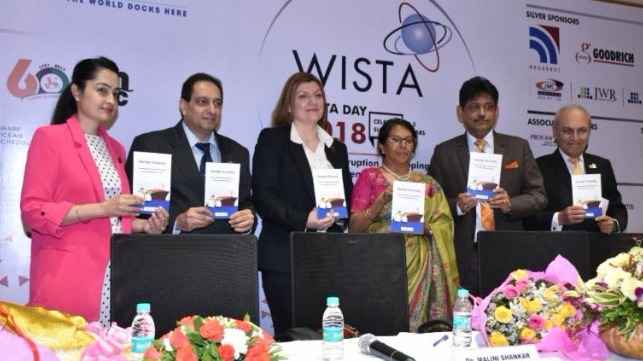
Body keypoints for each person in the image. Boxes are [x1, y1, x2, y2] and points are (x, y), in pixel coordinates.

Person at [20, 57, 169, 324]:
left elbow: (113, 220)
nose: (110, 99)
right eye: (102, 90)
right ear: (77, 92)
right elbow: (32, 213)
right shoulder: (49, 138)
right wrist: (103, 207)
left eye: (115, 93)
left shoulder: (116, 149)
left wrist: (144, 227)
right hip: (66, 277)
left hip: (115, 277)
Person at [252, 72, 353, 337]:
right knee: (294, 338)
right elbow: (264, 198)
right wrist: (304, 219)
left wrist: (339, 217)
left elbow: (347, 198)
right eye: (303, 96)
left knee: (328, 337)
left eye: (318, 95)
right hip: (284, 256)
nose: (313, 101)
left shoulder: (337, 148)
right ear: (288, 105)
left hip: (328, 258)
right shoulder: (273, 140)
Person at [428, 76, 547, 296]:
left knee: (509, 318)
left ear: (497, 111)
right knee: (464, 318)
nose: (482, 113)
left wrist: (510, 203)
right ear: (460, 112)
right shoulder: (444, 152)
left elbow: (538, 196)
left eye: (488, 107)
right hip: (464, 252)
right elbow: (431, 202)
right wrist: (457, 205)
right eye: (474, 107)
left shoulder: (517, 147)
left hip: (508, 250)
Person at [349, 118, 458, 332]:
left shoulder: (428, 183)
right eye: (395, 139)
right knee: (384, 325)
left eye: (409, 140)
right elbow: (354, 227)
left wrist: (426, 228)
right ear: (382, 145)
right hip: (382, 264)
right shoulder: (370, 177)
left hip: (423, 267)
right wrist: (382, 199)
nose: (403, 145)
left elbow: (444, 224)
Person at [125, 73, 255, 234]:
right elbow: (135, 209)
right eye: (202, 102)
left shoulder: (237, 152)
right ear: (184, 106)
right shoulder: (151, 146)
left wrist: (247, 220)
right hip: (170, 253)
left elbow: (245, 202)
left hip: (223, 255)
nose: (212, 110)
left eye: (217, 103)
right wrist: (176, 222)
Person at [525, 104, 627, 233]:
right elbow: (528, 217)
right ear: (554, 132)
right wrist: (559, 218)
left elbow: (618, 209)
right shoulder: (538, 167)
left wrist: (613, 224)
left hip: (598, 249)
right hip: (556, 249)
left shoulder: (603, 165)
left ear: (589, 131)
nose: (575, 138)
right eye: (567, 131)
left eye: (582, 130)